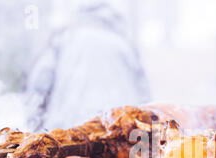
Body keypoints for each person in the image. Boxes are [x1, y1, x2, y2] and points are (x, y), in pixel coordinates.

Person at [24, 2, 150, 131]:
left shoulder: (64, 38)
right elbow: (144, 96)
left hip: (68, 131)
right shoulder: (124, 44)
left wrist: (34, 126)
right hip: (119, 131)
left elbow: (39, 84)